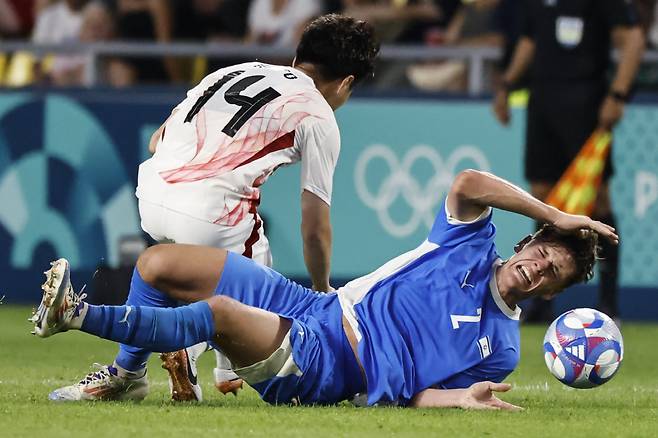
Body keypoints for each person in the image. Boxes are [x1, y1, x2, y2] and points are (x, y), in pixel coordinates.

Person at [31, 169, 618, 407]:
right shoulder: (466, 242)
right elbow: (468, 183)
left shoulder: (502, 347)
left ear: (551, 293)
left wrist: (461, 400)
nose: (540, 269)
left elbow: (414, 396)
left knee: (219, 313)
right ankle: (128, 376)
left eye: (553, 275)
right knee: (158, 264)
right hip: (311, 306)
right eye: (542, 253)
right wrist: (560, 215)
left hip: (329, 363)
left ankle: (75, 316)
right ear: (524, 245)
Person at [46, 13, 380, 402]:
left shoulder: (233, 71)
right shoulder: (319, 113)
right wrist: (321, 286)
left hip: (151, 197)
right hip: (209, 217)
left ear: (298, 56)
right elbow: (314, 226)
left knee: (161, 273)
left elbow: (158, 140)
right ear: (346, 83)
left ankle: (128, 373)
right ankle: (217, 355)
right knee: (265, 286)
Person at [492, 0, 645, 322]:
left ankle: (609, 302)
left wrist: (618, 94)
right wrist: (507, 83)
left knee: (598, 198)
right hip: (542, 103)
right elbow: (530, 40)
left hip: (588, 103)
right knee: (541, 193)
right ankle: (541, 304)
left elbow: (633, 38)